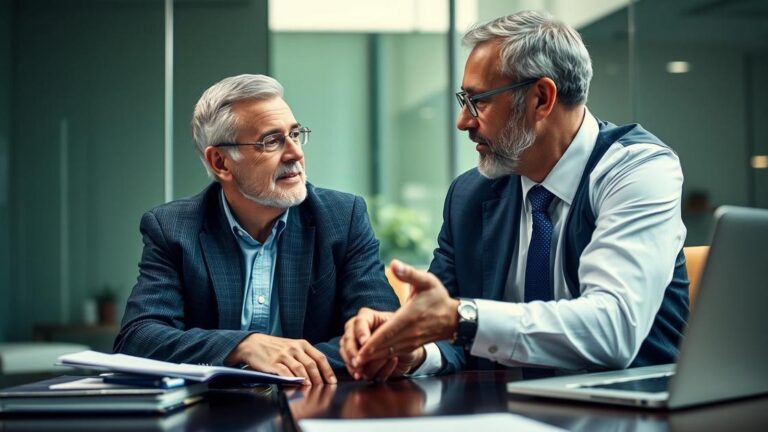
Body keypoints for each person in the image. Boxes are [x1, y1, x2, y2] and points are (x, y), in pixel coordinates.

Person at [341, 11, 689, 380]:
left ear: (541, 97)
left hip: (632, 409)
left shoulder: (637, 170)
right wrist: (413, 349)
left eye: (478, 101)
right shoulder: (470, 194)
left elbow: (613, 330)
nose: (463, 121)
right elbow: (446, 329)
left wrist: (461, 319)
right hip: (504, 411)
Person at [114, 74, 404, 385]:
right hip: (212, 415)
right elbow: (138, 337)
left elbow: (381, 336)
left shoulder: (341, 218)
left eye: (295, 134)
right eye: (272, 141)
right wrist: (243, 346)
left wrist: (288, 362)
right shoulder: (173, 228)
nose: (295, 154)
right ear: (221, 162)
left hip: (317, 405)